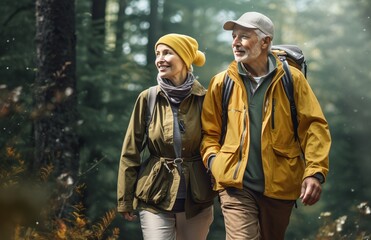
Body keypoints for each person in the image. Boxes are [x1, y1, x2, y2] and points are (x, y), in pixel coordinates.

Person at [200, 12, 331, 240]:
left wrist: (315, 172)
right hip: (234, 185)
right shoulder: (222, 82)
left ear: (265, 42)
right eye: (234, 36)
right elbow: (209, 133)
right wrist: (215, 162)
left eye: (244, 36)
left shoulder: (292, 79)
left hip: (280, 187)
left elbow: (314, 127)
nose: (236, 42)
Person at [117, 33, 215, 240]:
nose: (160, 59)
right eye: (157, 53)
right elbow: (130, 151)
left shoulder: (205, 99)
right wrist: (125, 199)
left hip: (197, 200)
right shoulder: (148, 98)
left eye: (167, 53)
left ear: (185, 58)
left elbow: (216, 145)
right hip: (154, 196)